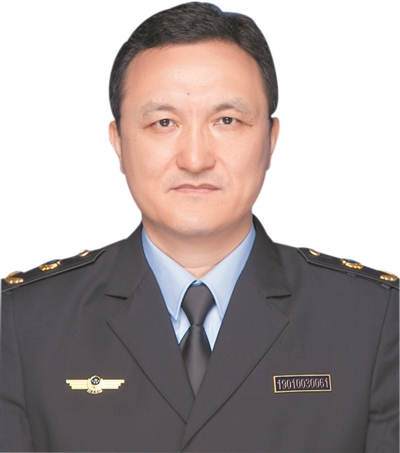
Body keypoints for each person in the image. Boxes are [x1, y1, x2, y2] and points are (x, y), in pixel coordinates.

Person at [1, 2, 398, 452]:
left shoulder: (374, 321)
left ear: (270, 140)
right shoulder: (23, 322)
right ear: (119, 143)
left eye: (227, 120)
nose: (194, 159)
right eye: (163, 122)